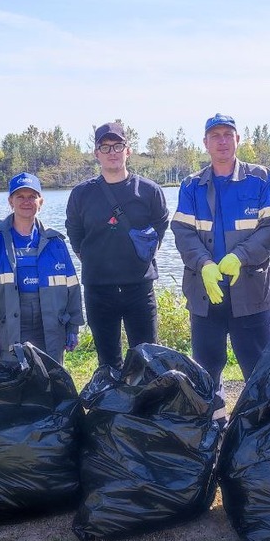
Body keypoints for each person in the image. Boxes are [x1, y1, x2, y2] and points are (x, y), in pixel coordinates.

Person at [172, 114, 270, 423]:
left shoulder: (260, 179)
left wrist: (241, 256)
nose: (221, 141)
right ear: (205, 143)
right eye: (215, 135)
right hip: (206, 293)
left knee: (258, 367)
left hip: (251, 290)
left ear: (238, 140)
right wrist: (204, 264)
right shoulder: (191, 186)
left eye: (227, 135)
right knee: (207, 369)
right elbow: (183, 232)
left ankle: (260, 430)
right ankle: (215, 428)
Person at [65, 122, 170, 369]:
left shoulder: (148, 191)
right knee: (108, 362)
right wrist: (91, 258)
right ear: (96, 153)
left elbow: (161, 225)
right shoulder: (81, 194)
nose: (112, 152)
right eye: (106, 146)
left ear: (128, 151)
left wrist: (146, 253)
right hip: (98, 289)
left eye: (118, 146)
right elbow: (74, 232)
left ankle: (144, 407)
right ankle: (112, 406)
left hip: (139, 289)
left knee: (146, 360)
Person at [0, 172, 84, 365]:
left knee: (49, 383)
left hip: (50, 328)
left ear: (41, 202)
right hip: (10, 328)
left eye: (32, 197)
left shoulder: (55, 242)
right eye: (20, 196)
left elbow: (72, 288)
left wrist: (73, 326)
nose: (26, 202)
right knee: (13, 387)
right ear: (10, 201)